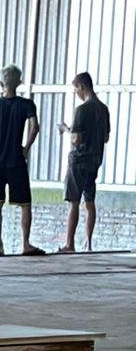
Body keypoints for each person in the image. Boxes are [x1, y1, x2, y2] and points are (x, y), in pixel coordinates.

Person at [0, 66, 45, 256]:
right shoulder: (27, 105)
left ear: (1, 83)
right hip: (17, 161)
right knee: (25, 204)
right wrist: (26, 148)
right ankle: (25, 244)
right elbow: (35, 127)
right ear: (19, 82)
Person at [58, 71, 110, 253]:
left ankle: (69, 244)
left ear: (81, 86)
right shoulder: (104, 109)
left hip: (79, 161)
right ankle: (88, 244)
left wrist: (65, 129)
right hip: (95, 161)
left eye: (76, 90)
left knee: (73, 201)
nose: (77, 93)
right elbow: (105, 138)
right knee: (89, 202)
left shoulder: (81, 110)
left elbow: (76, 139)